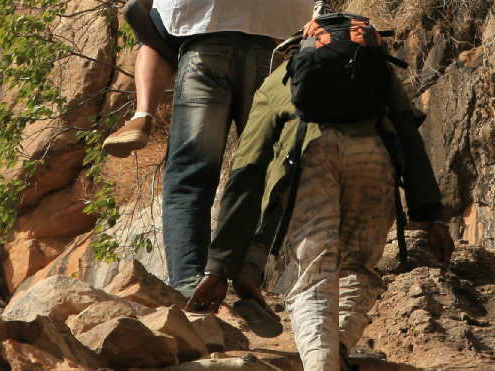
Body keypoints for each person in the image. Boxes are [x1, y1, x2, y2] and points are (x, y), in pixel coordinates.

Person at [102, 0, 315, 297]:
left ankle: (186, 284)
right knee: (263, 167)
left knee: (190, 174)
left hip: (204, 43)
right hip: (276, 25)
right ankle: (249, 267)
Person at [186, 61, 453, 371]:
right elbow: (409, 136)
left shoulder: (282, 75)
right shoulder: (375, 69)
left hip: (313, 154)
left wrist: (219, 267)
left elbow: (248, 167)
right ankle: (335, 348)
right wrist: (434, 216)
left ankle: (320, 363)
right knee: (359, 270)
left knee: (315, 275)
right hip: (375, 156)